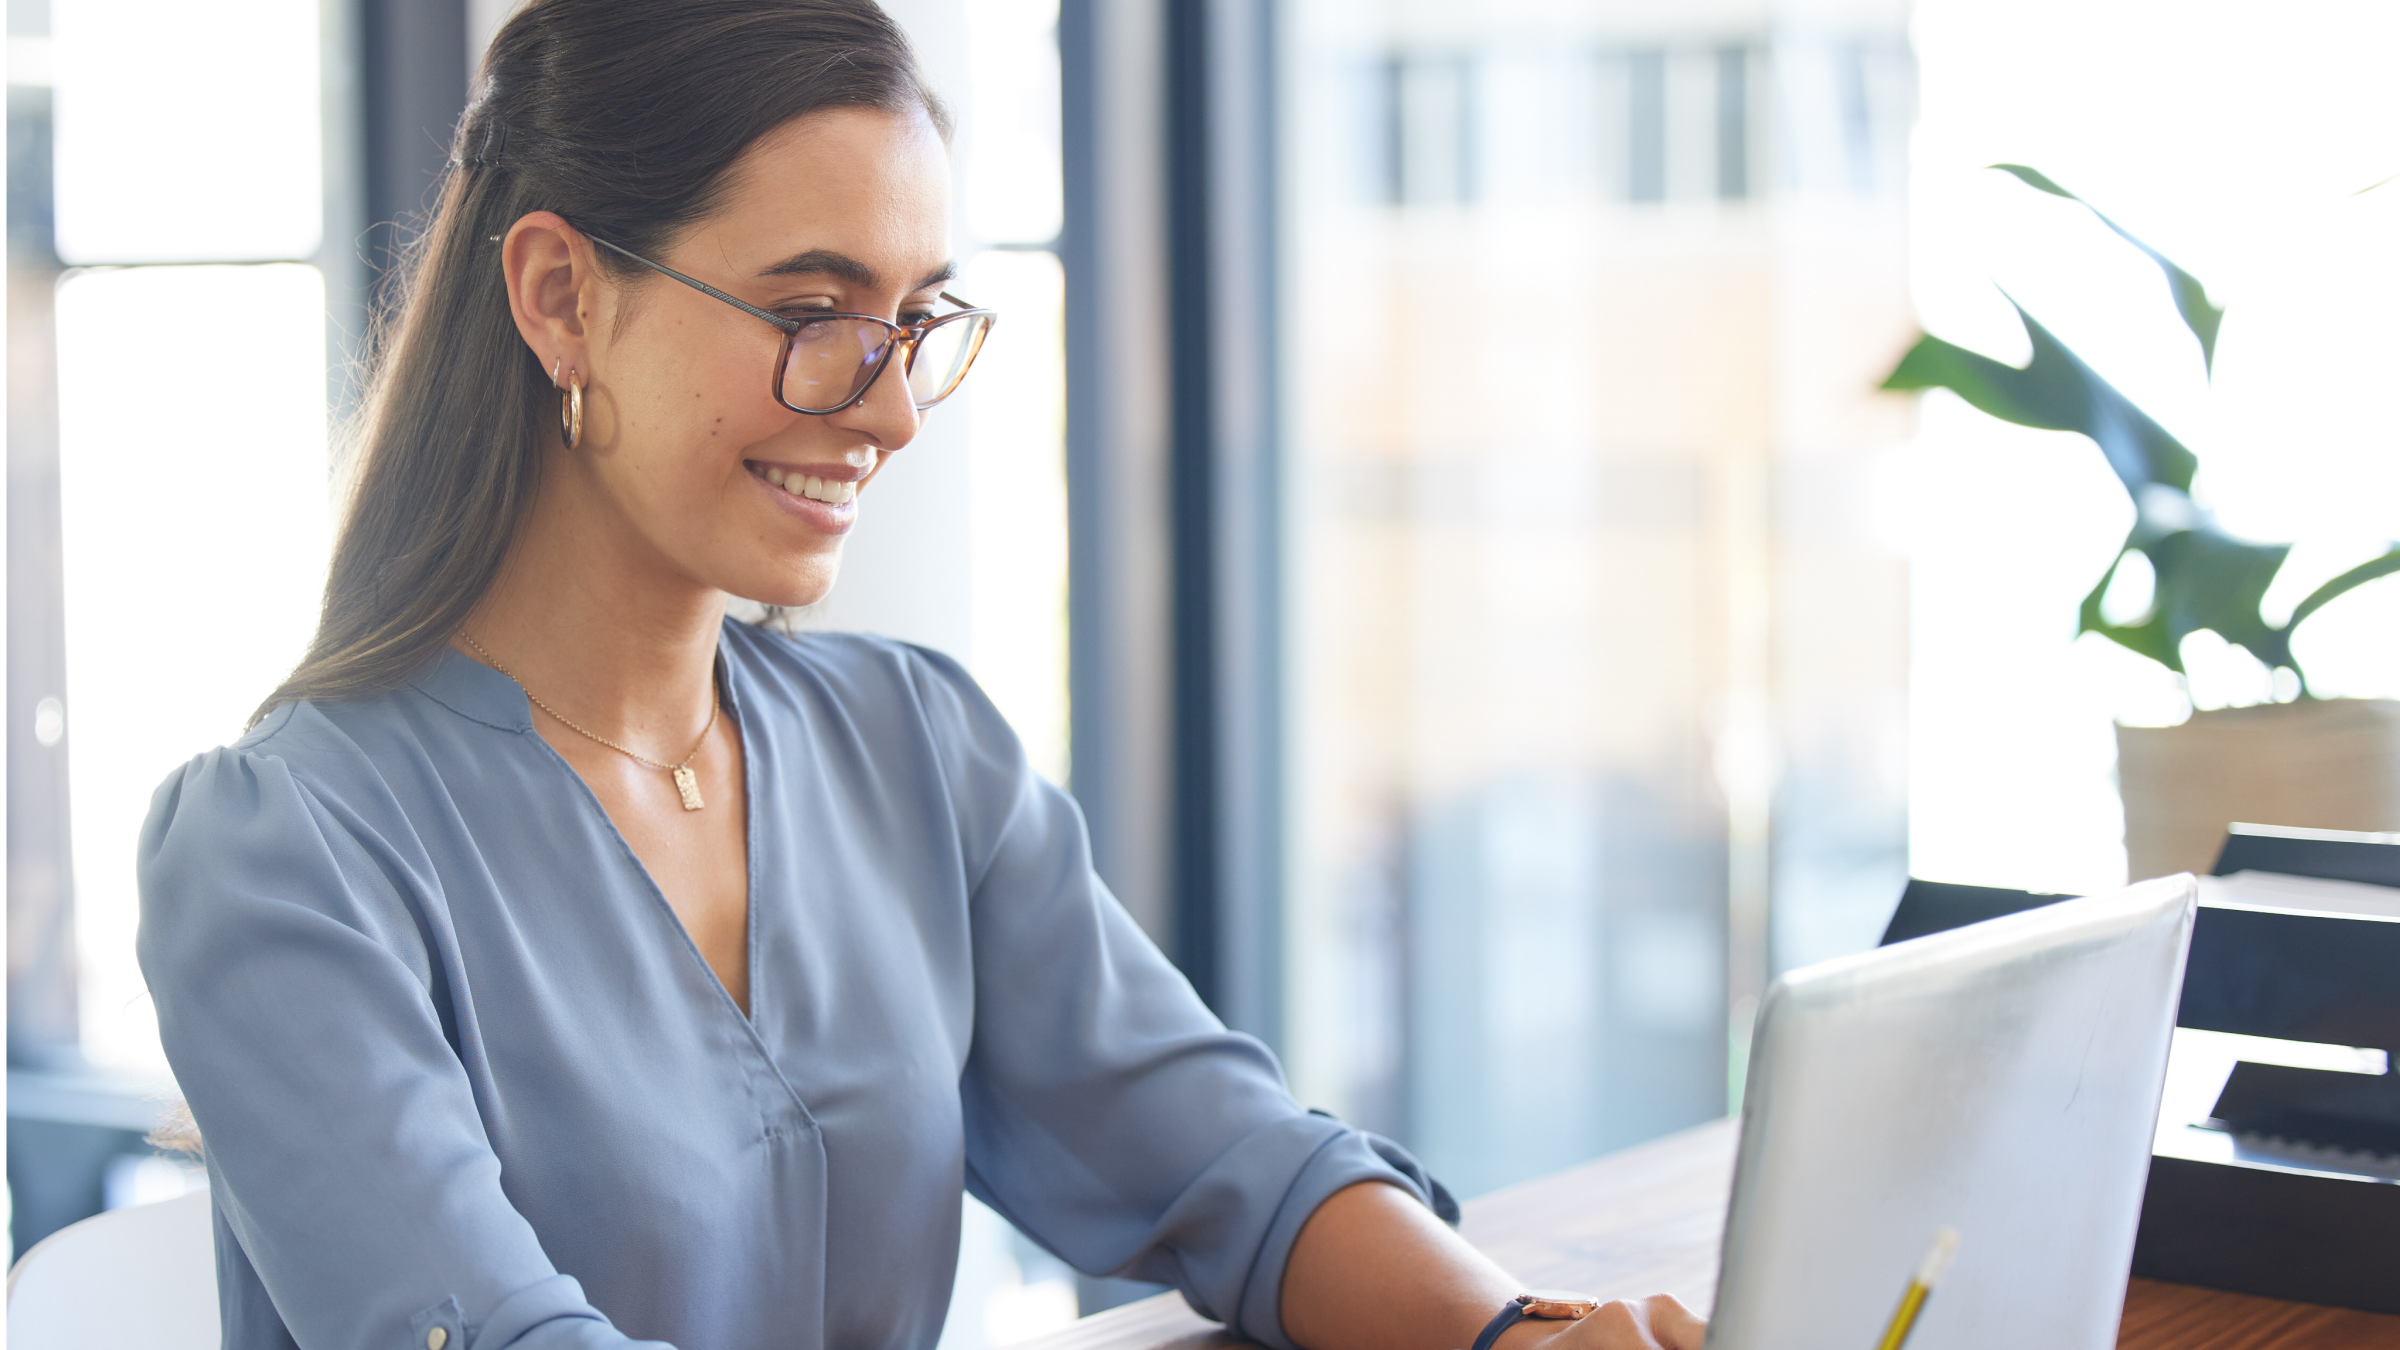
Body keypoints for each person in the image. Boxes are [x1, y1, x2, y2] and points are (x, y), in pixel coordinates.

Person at [136, 3, 1706, 1348]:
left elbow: (1228, 1159)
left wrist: (1507, 1329)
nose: (888, 413)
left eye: (915, 319)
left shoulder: (912, 747)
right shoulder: (283, 854)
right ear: (561, 297)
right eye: (815, 313)